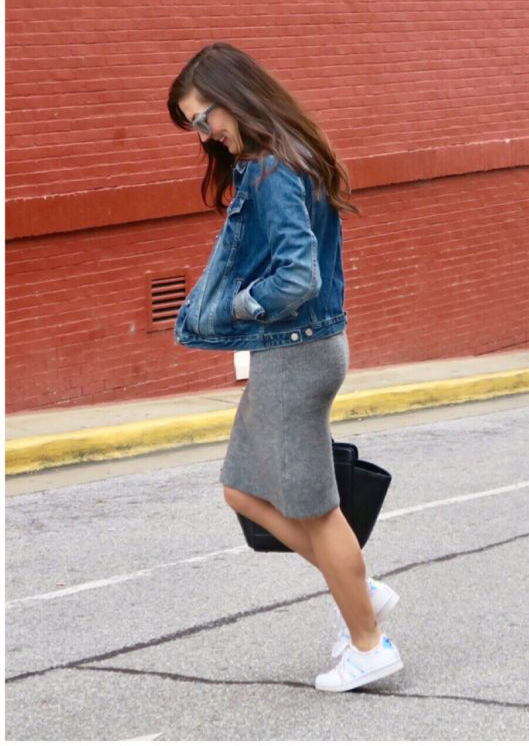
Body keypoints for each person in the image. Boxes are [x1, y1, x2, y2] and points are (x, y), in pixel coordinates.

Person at [168, 43, 405, 689]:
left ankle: (369, 642)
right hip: (297, 351)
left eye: (202, 117)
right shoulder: (275, 161)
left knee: (314, 508)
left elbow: (296, 275)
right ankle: (363, 590)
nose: (202, 133)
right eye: (193, 124)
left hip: (297, 353)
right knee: (243, 488)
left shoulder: (272, 171)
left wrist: (242, 304)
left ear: (234, 96)